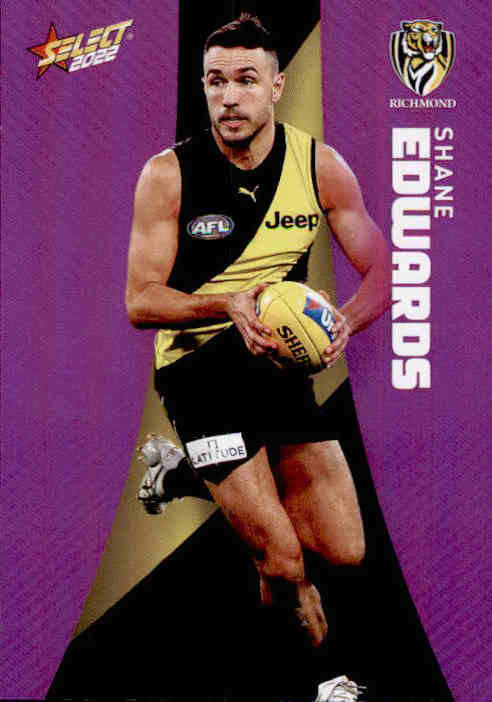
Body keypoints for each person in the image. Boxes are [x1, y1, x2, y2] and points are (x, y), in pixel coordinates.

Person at [126, 14, 390, 702]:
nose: (229, 96)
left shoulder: (319, 166)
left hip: (278, 365)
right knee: (282, 557)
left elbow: (383, 271)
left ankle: (183, 472)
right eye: (215, 81)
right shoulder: (168, 174)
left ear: (277, 86)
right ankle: (325, 683)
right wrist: (229, 303)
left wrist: (344, 323)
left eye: (246, 80)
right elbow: (140, 301)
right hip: (199, 372)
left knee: (345, 549)